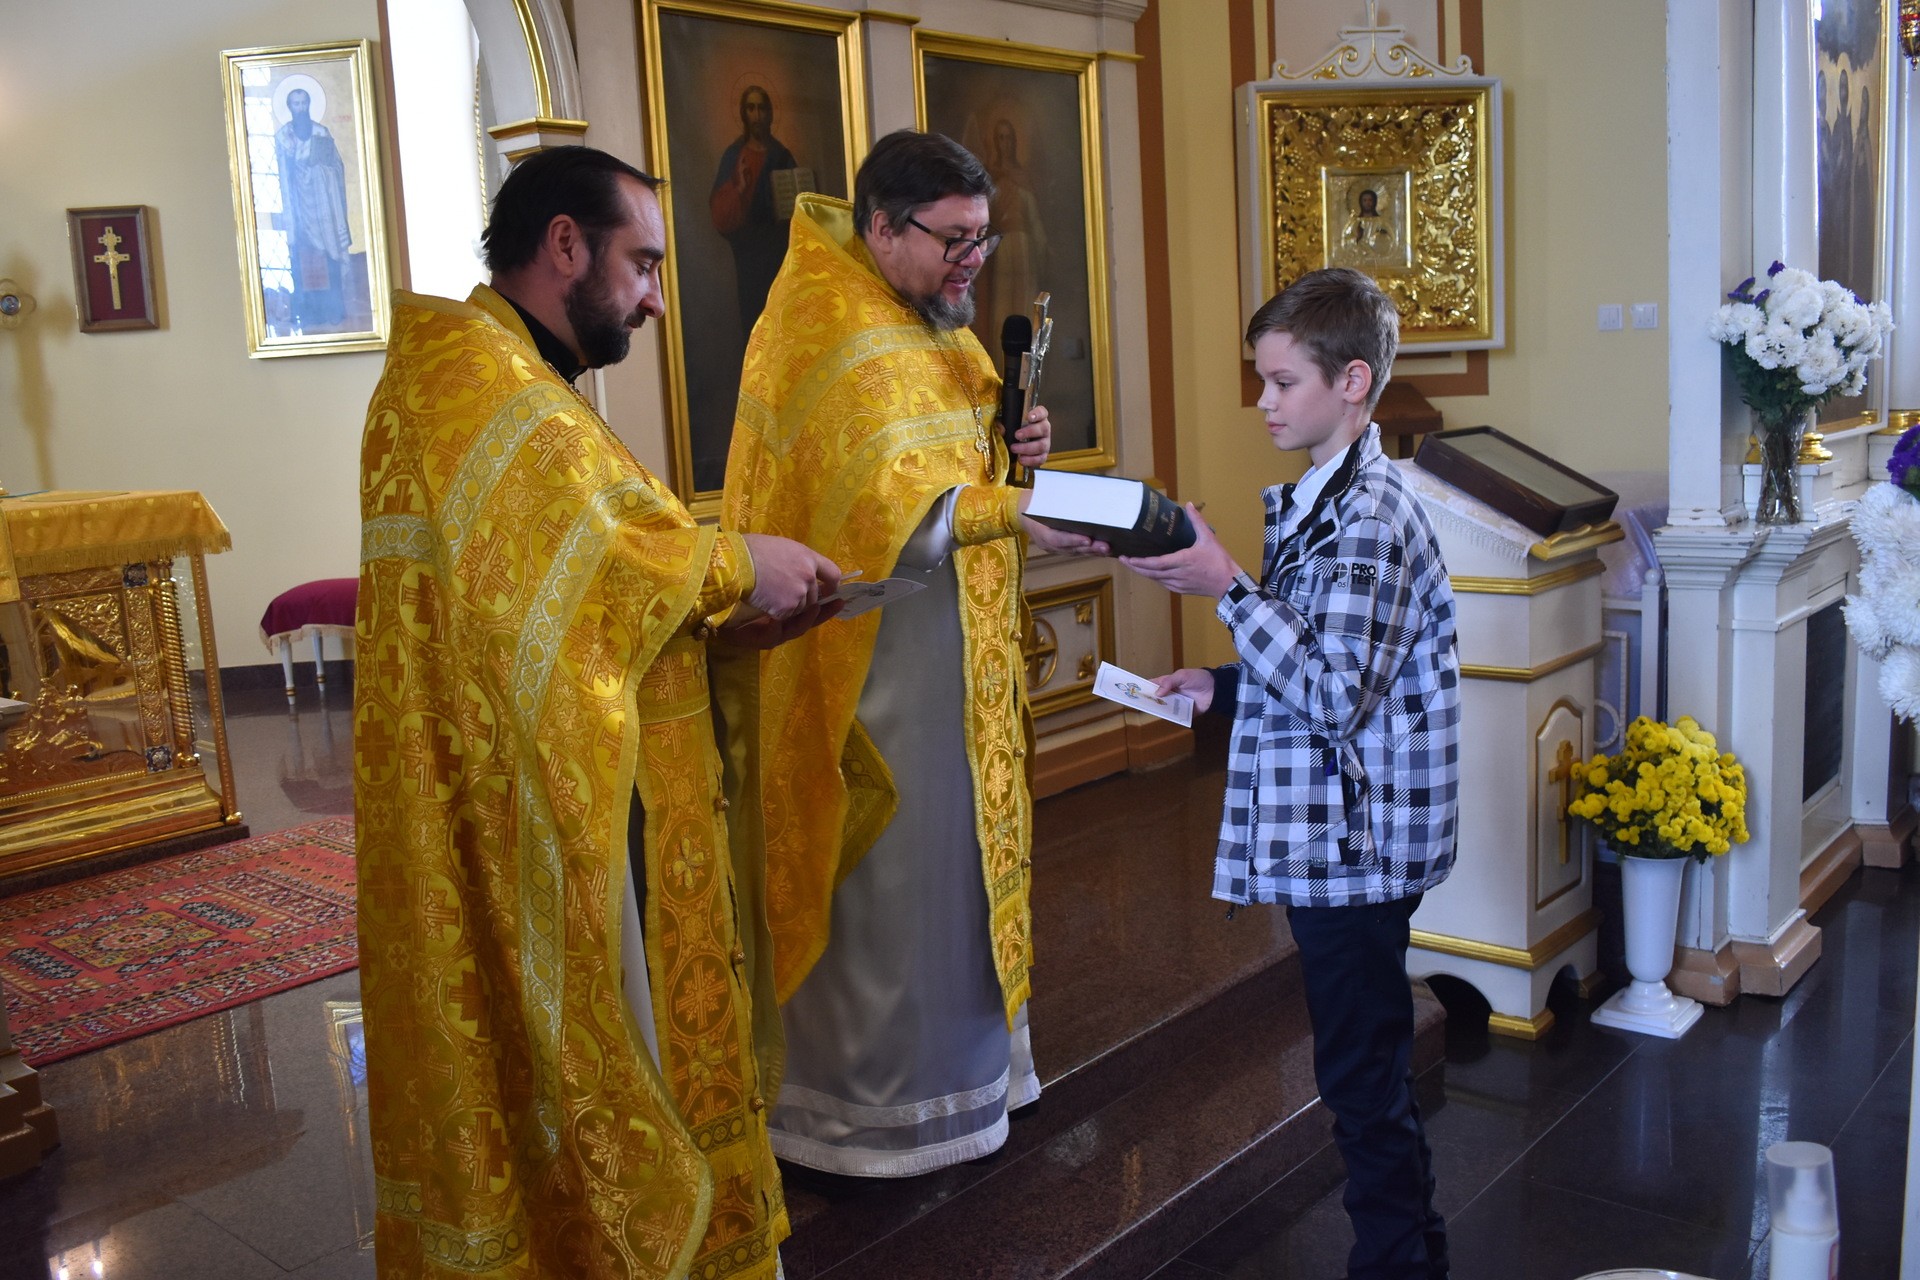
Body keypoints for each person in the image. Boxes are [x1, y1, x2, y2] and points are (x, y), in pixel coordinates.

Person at [354, 145, 841, 1279]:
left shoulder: (516, 379)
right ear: (565, 244)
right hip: (532, 815)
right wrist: (734, 567)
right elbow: (595, 565)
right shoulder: (473, 382)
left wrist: (723, 623)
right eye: (645, 263)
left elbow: (574, 600)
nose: (658, 298)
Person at [720, 129, 1100, 1177]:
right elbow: (881, 510)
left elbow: (960, 459)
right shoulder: (821, 323)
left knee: (964, 876)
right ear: (884, 227)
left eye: (984, 238)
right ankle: (871, 1118)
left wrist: (1015, 450)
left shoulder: (934, 320)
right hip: (871, 668)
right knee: (894, 883)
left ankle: (976, 1081)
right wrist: (1008, 510)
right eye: (955, 240)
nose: (974, 261)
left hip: (958, 654)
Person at [1122, 267, 1460, 1279]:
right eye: (1261, 381)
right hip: (1343, 833)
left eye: (1281, 382)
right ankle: (1413, 1256)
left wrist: (1225, 584)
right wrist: (1220, 687)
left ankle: (1398, 1265)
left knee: (1362, 1079)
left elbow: (1337, 692)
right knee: (1365, 1069)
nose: (1263, 402)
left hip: (1359, 843)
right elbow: (1317, 650)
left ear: (1352, 381)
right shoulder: (1330, 496)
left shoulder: (1370, 518)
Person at [709, 85, 800, 336]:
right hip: (749, 257)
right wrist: (738, 187)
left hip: (779, 254)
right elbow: (719, 214)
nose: (757, 115)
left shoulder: (782, 156)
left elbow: (800, 210)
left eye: (761, 108)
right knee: (754, 321)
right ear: (743, 113)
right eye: (751, 108)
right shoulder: (734, 156)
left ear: (770, 113)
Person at [276, 86, 353, 329]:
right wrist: (298, 169)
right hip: (300, 211)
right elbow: (282, 174)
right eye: (295, 104)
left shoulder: (321, 133)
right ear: (289, 107)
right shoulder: (284, 136)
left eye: (304, 103)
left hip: (324, 211)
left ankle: (333, 310)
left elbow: (336, 167)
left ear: (309, 105)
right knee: (305, 260)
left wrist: (319, 170)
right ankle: (311, 314)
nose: (300, 108)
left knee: (329, 257)